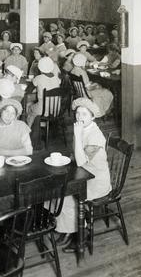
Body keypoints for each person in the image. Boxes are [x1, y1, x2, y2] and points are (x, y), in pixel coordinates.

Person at [55, 98, 111, 252]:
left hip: (96, 181)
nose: (79, 117)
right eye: (78, 113)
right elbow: (76, 155)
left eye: (84, 114)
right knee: (58, 190)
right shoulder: (81, 128)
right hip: (83, 174)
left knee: (66, 195)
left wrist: (77, 135)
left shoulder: (96, 135)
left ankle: (80, 235)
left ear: (93, 117)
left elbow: (80, 161)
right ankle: (67, 230)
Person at [0, 99, 33, 164]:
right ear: (1, 111)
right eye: (6, 111)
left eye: (13, 113)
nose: (9, 116)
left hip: (19, 164)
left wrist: (6, 152)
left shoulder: (21, 126)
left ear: (16, 116)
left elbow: (29, 150)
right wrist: (5, 159)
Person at [26, 57, 61, 128]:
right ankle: (42, 124)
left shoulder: (38, 78)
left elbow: (28, 91)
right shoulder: (57, 78)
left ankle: (29, 128)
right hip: (56, 109)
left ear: (40, 68)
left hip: (43, 110)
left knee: (28, 106)